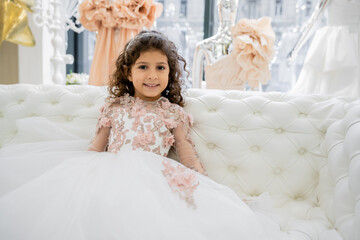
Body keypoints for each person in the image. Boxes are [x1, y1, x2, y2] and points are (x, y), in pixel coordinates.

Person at [0, 31, 280, 240]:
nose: (152, 75)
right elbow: (96, 148)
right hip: (110, 173)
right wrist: (80, 178)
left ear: (171, 73)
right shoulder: (114, 106)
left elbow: (187, 154)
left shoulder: (172, 113)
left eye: (161, 67)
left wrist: (211, 189)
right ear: (128, 71)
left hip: (154, 178)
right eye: (143, 67)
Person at [288, 0, 360, 97]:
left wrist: (295, 50)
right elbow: (314, 20)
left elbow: (314, 21)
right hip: (336, 45)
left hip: (340, 44)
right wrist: (295, 50)